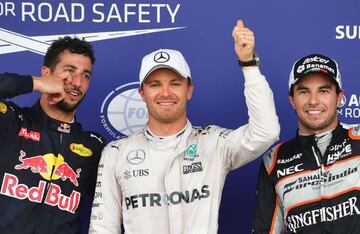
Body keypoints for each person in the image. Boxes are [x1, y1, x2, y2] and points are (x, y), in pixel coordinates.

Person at [89, 20, 280, 234]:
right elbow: (102, 228)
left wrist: (249, 64)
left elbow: (267, 131)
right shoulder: (116, 153)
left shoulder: (214, 143)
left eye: (175, 83)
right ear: (142, 94)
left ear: (189, 90)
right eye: (155, 85)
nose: (165, 93)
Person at [0, 36, 104, 233]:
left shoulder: (93, 146)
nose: (77, 82)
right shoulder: (11, 121)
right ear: (46, 73)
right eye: (69, 71)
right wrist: (34, 83)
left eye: (86, 75)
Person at [252, 54, 360, 233]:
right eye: (304, 92)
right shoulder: (274, 161)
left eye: (323, 91)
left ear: (339, 97)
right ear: (292, 100)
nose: (313, 101)